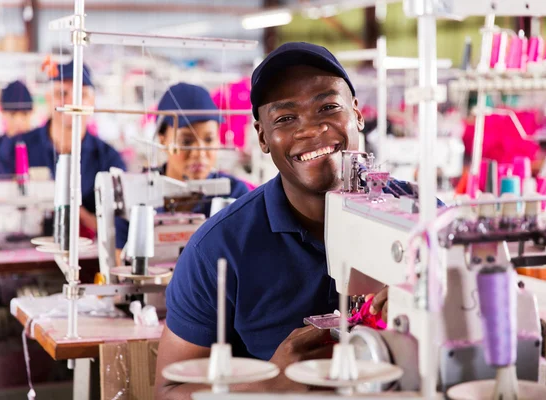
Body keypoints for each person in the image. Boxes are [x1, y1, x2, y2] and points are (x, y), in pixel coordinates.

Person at [155, 42, 430, 399]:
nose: (310, 130)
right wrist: (268, 386)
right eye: (285, 118)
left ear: (358, 115)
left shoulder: (425, 221)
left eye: (328, 107)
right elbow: (168, 389)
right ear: (263, 137)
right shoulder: (217, 250)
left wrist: (425, 305)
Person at [114, 83, 250, 251]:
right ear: (162, 139)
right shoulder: (135, 194)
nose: (199, 153)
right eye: (186, 141)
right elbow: (121, 266)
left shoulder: (235, 194)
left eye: (209, 140)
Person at [0, 61, 126, 235]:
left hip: (89, 259)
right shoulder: (15, 148)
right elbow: (0, 209)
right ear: (48, 98)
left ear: (92, 102)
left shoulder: (109, 158)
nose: (71, 102)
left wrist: (80, 214)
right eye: (61, 93)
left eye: (82, 95)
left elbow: (119, 227)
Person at [0, 80, 34, 161]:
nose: (18, 121)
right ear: (2, 112)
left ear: (32, 112)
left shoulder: (42, 146)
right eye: (12, 115)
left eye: (24, 114)